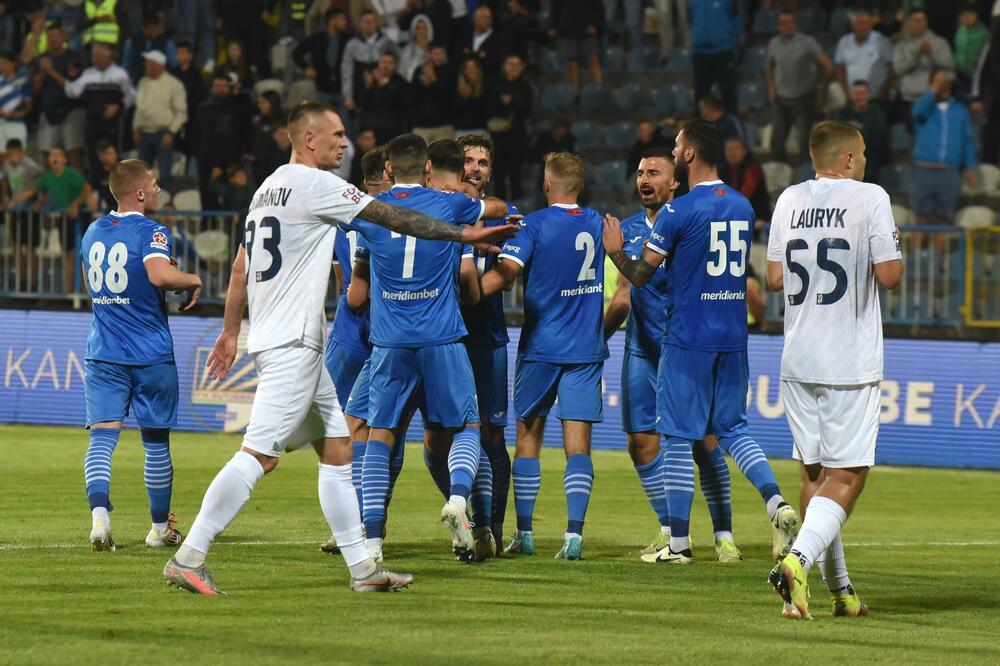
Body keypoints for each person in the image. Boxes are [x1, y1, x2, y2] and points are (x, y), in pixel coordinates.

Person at [163, 102, 516, 595]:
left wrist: (229, 330)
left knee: (337, 450)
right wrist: (465, 232)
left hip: (288, 339)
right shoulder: (317, 184)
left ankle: (363, 569)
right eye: (338, 134)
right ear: (309, 139)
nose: (345, 143)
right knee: (259, 456)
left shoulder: (266, 188)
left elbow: (241, 267)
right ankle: (189, 556)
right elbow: (395, 215)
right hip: (293, 343)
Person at [602, 119, 799, 564]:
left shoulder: (678, 211)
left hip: (687, 338)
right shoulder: (743, 206)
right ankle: (777, 505)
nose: (672, 152)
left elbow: (639, 277)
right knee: (733, 430)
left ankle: (678, 546)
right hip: (732, 336)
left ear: (690, 154)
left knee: (674, 435)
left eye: (676, 147)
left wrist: (616, 248)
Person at [349, 134, 513, 564]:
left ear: (388, 170)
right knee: (467, 428)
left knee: (380, 434)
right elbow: (495, 208)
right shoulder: (451, 204)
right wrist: (470, 198)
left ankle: (371, 541)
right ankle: (459, 501)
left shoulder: (369, 213)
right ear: (427, 169)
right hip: (441, 337)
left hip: (389, 343)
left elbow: (356, 288)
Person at [765, 120, 902, 620]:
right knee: (848, 475)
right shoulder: (871, 198)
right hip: (848, 359)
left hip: (799, 356)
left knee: (815, 472)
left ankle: (839, 591)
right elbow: (890, 276)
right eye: (862, 153)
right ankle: (796, 563)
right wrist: (892, 245)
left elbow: (776, 275)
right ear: (847, 159)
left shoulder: (788, 200)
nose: (865, 160)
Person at [602, 149, 741, 562]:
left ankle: (724, 534)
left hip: (684, 348)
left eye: (655, 172)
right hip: (641, 349)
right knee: (640, 442)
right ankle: (670, 531)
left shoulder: (688, 221)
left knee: (704, 442)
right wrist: (597, 340)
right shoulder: (626, 229)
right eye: (640, 172)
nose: (644, 179)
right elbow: (625, 294)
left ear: (674, 182)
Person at [479, 152, 606, 561]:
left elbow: (507, 273)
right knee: (579, 444)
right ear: (579, 186)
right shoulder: (600, 224)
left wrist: (471, 291)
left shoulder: (532, 225)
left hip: (542, 347)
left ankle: (525, 533)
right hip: (586, 349)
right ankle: (574, 536)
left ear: (547, 184)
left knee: (528, 438)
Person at [79, 158, 201, 552]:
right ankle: (159, 530)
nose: (160, 190)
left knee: (101, 439)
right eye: (155, 184)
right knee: (155, 443)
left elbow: (91, 289)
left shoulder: (92, 231)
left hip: (104, 352)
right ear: (141, 192)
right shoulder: (152, 231)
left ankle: (100, 520)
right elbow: (159, 276)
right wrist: (192, 279)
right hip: (149, 354)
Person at [318, 145, 391, 557]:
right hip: (386, 334)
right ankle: (366, 523)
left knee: (341, 432)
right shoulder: (398, 215)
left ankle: (350, 527)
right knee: (377, 433)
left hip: (348, 334)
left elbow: (345, 285)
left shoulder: (342, 219)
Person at [458, 133, 516, 552]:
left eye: (482, 162)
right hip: (446, 339)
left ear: (491, 171)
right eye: (468, 160)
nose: (475, 167)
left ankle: (491, 527)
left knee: (493, 436)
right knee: (445, 435)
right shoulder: (441, 212)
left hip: (488, 339)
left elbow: (509, 273)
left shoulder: (508, 218)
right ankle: (468, 519)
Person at [766, 9, 833, 164]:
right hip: (781, 98)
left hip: (804, 96)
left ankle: (805, 174)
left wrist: (822, 90)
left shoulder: (807, 42)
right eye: (783, 23)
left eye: (790, 22)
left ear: (795, 24)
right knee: (777, 140)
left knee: (804, 140)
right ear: (778, 25)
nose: (786, 26)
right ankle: (780, 173)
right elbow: (769, 66)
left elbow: (828, 66)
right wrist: (771, 88)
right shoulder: (773, 43)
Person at [911, 68, 977, 225]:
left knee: (944, 219)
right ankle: (913, 251)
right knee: (920, 218)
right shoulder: (924, 108)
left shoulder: (960, 111)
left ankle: (940, 251)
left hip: (949, 173)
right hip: (923, 171)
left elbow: (967, 140)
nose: (943, 86)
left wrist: (970, 167)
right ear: (932, 84)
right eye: (939, 82)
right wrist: (933, 91)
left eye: (946, 82)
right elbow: (916, 112)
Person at [64, 42, 135, 165]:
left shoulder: (120, 74)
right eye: (93, 56)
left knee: (113, 156)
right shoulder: (88, 74)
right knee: (94, 156)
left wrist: (119, 106)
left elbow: (131, 97)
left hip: (112, 124)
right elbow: (72, 92)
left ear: (107, 57)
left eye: (97, 56)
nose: (93, 59)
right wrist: (71, 78)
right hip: (93, 122)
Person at [31, 22, 85, 170]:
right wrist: (40, 76)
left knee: (73, 152)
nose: (53, 39)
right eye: (50, 37)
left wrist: (50, 71)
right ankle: (49, 192)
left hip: (71, 110)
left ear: (63, 37)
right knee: (46, 154)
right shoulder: (42, 59)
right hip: (48, 111)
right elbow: (36, 91)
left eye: (56, 36)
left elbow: (74, 87)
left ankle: (79, 191)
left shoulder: (74, 57)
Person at [132, 50, 186, 190]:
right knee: (142, 174)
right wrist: (135, 128)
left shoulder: (173, 84)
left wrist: (171, 132)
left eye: (148, 64)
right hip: (144, 133)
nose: (146, 66)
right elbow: (139, 108)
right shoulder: (143, 82)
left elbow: (181, 113)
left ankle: (165, 205)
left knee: (165, 173)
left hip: (163, 133)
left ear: (158, 65)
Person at [0, 138, 42, 290]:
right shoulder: (6, 165)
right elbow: (4, 180)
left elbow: (41, 180)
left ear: (21, 152)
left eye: (16, 154)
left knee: (30, 248)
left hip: (30, 210)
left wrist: (39, 200)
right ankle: (21, 282)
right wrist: (5, 199)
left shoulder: (30, 165)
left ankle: (33, 283)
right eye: (10, 154)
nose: (13, 157)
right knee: (17, 246)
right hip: (15, 210)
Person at [490, 54, 533, 201]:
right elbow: (487, 108)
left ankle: (517, 212)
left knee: (516, 176)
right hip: (499, 137)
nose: (513, 68)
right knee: (499, 175)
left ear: (521, 68)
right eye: (510, 64)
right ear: (505, 66)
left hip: (517, 136)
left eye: (517, 65)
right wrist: (501, 102)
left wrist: (512, 101)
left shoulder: (525, 87)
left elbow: (529, 110)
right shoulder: (497, 85)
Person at [893, 9, 954, 112]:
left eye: (923, 20)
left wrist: (932, 53)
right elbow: (898, 69)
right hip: (908, 99)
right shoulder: (901, 45)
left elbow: (950, 65)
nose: (921, 23)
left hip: (933, 98)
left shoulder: (939, 42)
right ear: (908, 22)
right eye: (916, 20)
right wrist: (917, 55)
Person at [341, 9, 399, 113]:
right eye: (366, 22)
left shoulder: (387, 42)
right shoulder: (352, 44)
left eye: (372, 21)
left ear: (376, 23)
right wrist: (348, 96)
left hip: (383, 93)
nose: (369, 24)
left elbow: (397, 65)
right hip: (360, 93)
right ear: (360, 24)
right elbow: (346, 71)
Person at [689, 0, 740, 114]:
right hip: (700, 52)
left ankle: (731, 126)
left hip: (723, 50)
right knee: (701, 95)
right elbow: (691, 20)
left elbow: (736, 20)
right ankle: (699, 129)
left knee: (728, 93)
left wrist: (731, 43)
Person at [835, 8, 894, 102]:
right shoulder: (844, 41)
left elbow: (891, 69)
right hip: (853, 97)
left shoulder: (882, 41)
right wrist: (845, 93)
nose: (865, 27)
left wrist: (883, 91)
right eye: (860, 23)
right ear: (853, 25)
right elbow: (841, 70)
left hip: (876, 96)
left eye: (867, 23)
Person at [292, 7, 349, 103]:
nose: (345, 22)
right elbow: (296, 52)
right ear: (332, 21)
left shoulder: (347, 39)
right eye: (341, 19)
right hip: (322, 90)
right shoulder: (317, 39)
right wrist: (306, 68)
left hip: (342, 90)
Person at [836, 81, 888, 184]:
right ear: (851, 95)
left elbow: (879, 141)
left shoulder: (877, 114)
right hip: (847, 166)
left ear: (868, 95)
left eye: (863, 93)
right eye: (857, 94)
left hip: (871, 165)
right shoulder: (843, 114)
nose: (860, 97)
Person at [551, 0, 603, 91]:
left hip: (587, 29)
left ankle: (599, 89)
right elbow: (556, 9)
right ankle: (575, 92)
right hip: (568, 29)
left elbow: (599, 9)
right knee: (571, 62)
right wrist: (553, 26)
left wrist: (595, 25)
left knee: (593, 59)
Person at [358, 52, 410, 144]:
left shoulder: (401, 82)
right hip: (371, 133)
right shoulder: (370, 82)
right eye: (383, 62)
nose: (385, 66)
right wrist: (368, 86)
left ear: (395, 65)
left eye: (389, 63)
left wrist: (382, 82)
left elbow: (397, 103)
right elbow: (362, 104)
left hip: (392, 132)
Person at [719, 137, 770, 231]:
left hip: (756, 217)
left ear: (744, 151)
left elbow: (745, 196)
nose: (732, 152)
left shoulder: (753, 168)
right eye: (729, 149)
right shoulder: (723, 169)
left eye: (736, 149)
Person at [0, 50, 31, 164]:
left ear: (12, 64)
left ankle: (20, 182)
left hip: (16, 124)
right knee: (2, 161)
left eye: (3, 63)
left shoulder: (23, 81)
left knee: (18, 160)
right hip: (0, 124)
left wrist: (12, 114)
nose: (1, 67)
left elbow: (28, 107)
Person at [954, 3, 989, 97]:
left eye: (969, 15)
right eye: (963, 16)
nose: (966, 18)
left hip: (976, 76)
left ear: (976, 15)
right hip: (960, 74)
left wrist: (980, 60)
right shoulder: (960, 30)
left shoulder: (984, 33)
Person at [453, 57, 488, 137]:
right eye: (468, 67)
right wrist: (464, 98)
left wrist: (473, 95)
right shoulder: (457, 88)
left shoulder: (485, 86)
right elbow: (454, 111)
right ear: (464, 70)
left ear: (478, 69)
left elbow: (486, 111)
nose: (471, 70)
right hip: (461, 130)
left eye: (473, 67)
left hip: (480, 130)